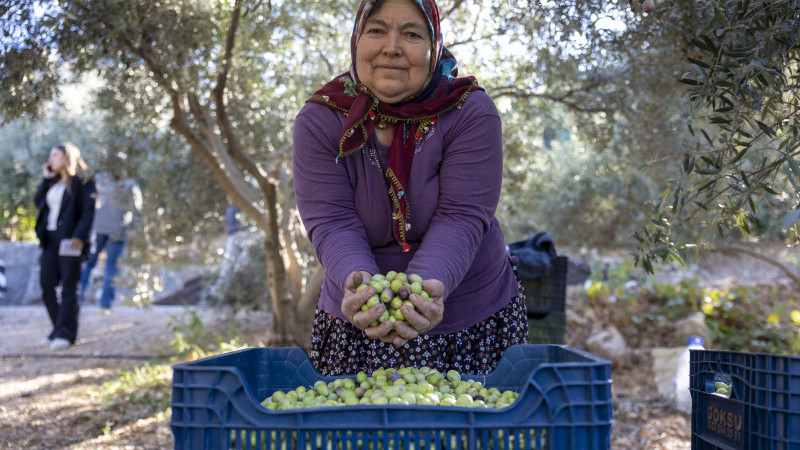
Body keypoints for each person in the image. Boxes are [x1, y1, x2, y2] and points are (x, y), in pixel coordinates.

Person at [292, 0, 527, 377]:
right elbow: (332, 221)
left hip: (469, 314)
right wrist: (361, 288)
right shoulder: (321, 118)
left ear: (434, 47)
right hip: (357, 320)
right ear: (357, 39)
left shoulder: (469, 111)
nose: (392, 47)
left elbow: (461, 216)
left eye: (412, 34)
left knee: (469, 414)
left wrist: (424, 291)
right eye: (377, 30)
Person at [34, 142, 96, 350]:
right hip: (50, 240)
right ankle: (58, 329)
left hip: (70, 240)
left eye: (54, 155)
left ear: (66, 157)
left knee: (69, 286)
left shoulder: (83, 182)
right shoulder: (52, 182)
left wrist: (79, 236)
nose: (50, 159)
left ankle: (66, 334)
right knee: (46, 284)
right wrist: (46, 178)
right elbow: (38, 203)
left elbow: (88, 211)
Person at [78, 165, 142, 313]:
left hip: (98, 228)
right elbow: (137, 209)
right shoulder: (129, 184)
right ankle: (105, 304)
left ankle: (77, 297)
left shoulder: (98, 181)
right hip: (118, 230)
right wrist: (138, 231)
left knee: (89, 263)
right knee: (112, 267)